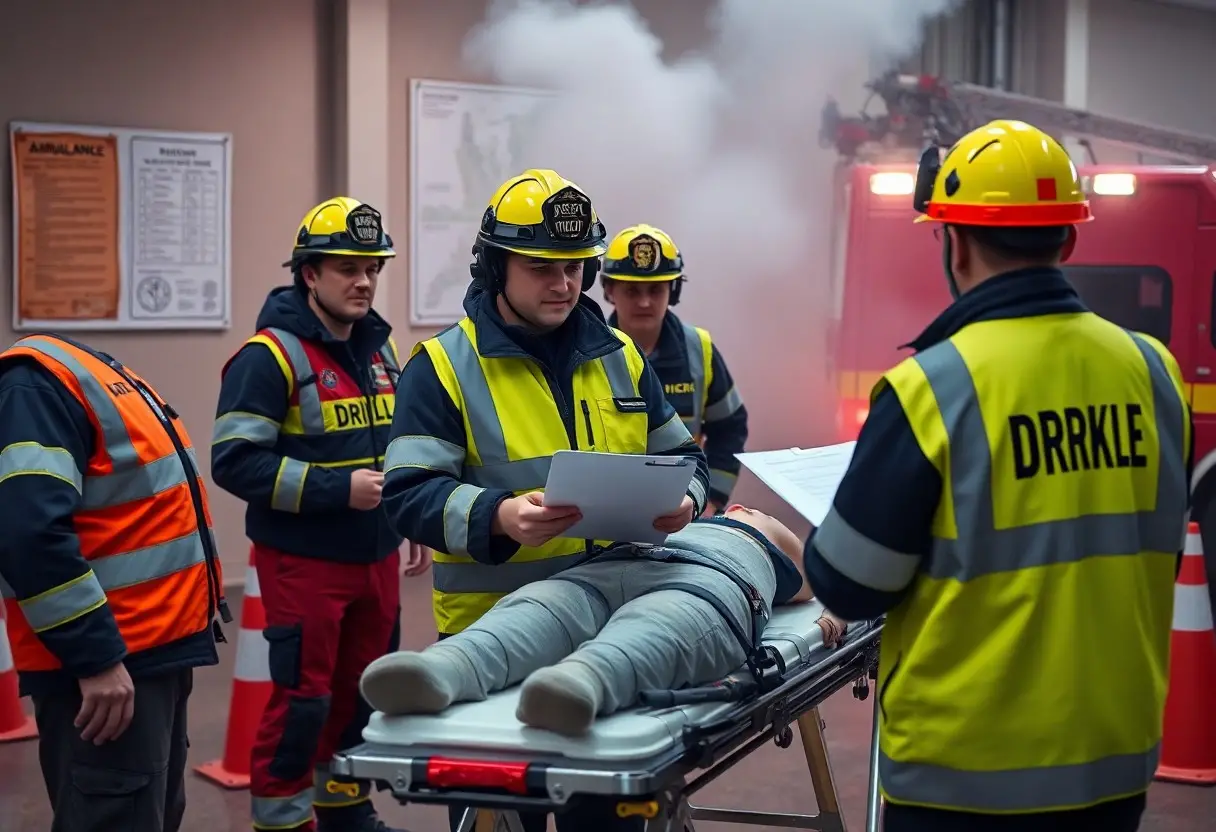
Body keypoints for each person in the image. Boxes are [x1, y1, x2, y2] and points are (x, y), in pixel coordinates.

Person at [802, 120, 1193, 832]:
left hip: (964, 785)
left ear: (952, 240)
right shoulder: (1154, 371)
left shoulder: (931, 388)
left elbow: (850, 584)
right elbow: (1155, 554)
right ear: (1069, 241)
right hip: (1113, 766)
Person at [381, 168, 711, 832]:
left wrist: (689, 501)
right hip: (494, 646)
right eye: (541, 268)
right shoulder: (441, 367)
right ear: (494, 265)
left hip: (616, 637)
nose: (564, 284)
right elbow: (408, 497)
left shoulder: (618, 353)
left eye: (575, 267)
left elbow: (687, 456)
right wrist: (497, 516)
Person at [211, 197, 415, 832]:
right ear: (309, 274)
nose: (363, 281)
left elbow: (403, 445)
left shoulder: (381, 352)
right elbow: (233, 462)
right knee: (303, 701)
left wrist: (411, 516)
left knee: (362, 692)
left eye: (372, 269)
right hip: (305, 563)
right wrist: (335, 490)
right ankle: (282, 819)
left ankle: (344, 805)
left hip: (376, 555)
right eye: (347, 268)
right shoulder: (267, 358)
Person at [0, 333, 228, 832]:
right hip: (111, 669)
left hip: (153, 652)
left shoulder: (88, 370)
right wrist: (95, 658)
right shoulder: (34, 386)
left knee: (149, 813)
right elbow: (27, 535)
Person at [360, 505, 845, 736]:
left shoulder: (748, 526)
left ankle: (463, 666)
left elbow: (811, 586)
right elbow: (811, 579)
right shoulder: (756, 527)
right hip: (653, 568)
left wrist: (831, 606)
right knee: (547, 609)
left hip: (676, 573)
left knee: (563, 613)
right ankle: (446, 667)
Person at [601, 224, 748, 511]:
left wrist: (711, 499)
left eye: (656, 289)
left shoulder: (699, 350)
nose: (644, 302)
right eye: (632, 290)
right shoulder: (586, 353)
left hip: (681, 508)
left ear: (674, 290)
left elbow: (730, 428)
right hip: (608, 509)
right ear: (609, 290)